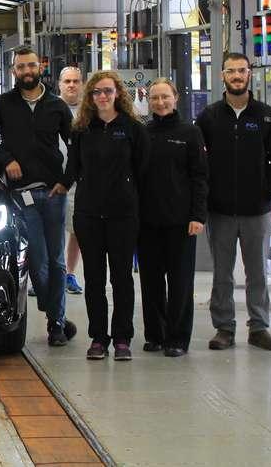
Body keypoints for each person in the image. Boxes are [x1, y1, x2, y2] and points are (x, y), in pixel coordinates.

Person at [0, 46, 77, 346]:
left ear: (39, 67)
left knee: (56, 261)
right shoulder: (4, 104)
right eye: (21, 67)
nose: (27, 71)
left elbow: (77, 146)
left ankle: (55, 323)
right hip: (21, 195)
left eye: (31, 66)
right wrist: (5, 159)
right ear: (14, 71)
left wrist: (67, 181)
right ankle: (52, 308)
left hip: (55, 193)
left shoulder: (56, 106)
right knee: (38, 259)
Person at [197, 53, 271, 352]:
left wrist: (268, 189)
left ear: (249, 74)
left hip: (257, 209)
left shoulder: (266, 116)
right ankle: (224, 328)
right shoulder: (209, 116)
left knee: (258, 271)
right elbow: (198, 160)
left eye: (242, 70)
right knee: (222, 272)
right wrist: (208, 193)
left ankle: (259, 327)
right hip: (220, 209)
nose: (237, 76)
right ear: (222, 75)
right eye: (231, 71)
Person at [56, 70, 149, 361]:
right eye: (97, 92)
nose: (103, 96)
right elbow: (72, 167)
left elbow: (143, 170)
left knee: (122, 278)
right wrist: (59, 185)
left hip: (123, 214)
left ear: (118, 93)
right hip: (89, 214)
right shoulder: (82, 129)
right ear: (90, 96)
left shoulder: (133, 128)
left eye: (108, 91)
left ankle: (122, 338)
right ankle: (98, 337)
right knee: (94, 279)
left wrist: (140, 207)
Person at [139, 78, 208, 357]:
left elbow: (200, 177)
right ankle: (155, 334)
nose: (160, 102)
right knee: (151, 281)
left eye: (165, 97)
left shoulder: (190, 133)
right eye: (155, 98)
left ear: (176, 97)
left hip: (181, 222)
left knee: (180, 283)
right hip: (148, 221)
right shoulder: (143, 133)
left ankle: (178, 338)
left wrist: (198, 215)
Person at [58, 66, 85, 295]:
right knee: (52, 230)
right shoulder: (49, 107)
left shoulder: (88, 111)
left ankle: (69, 273)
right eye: (67, 81)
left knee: (76, 230)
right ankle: (48, 276)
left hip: (78, 182)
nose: (72, 85)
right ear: (60, 84)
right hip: (52, 181)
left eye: (76, 81)